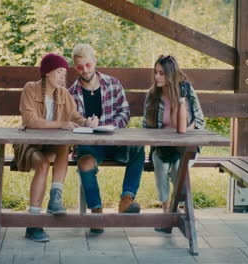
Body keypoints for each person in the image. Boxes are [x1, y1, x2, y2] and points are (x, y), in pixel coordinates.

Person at [13, 53, 99, 242]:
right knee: (43, 164)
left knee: (63, 145)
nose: (62, 77)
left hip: (52, 146)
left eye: (64, 73)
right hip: (30, 145)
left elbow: (75, 117)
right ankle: (33, 223)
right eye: (59, 72)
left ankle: (55, 197)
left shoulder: (63, 93)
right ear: (47, 73)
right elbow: (31, 120)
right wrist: (61, 124)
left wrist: (88, 122)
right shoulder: (30, 89)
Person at [68, 44, 145, 233]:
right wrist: (86, 124)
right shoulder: (71, 93)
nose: (85, 70)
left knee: (138, 148)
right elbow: (70, 119)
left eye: (87, 64)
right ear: (74, 67)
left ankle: (127, 199)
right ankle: (96, 211)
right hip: (89, 145)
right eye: (79, 67)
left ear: (94, 61)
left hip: (114, 139)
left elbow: (125, 111)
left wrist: (113, 126)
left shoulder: (113, 84)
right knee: (84, 163)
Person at [142, 54, 205, 233]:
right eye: (155, 73)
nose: (156, 77)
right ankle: (166, 213)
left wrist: (186, 132)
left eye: (161, 73)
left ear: (170, 74)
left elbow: (200, 120)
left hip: (185, 146)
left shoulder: (186, 90)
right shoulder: (152, 96)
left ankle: (183, 211)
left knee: (179, 165)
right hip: (162, 147)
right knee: (160, 166)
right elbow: (146, 127)